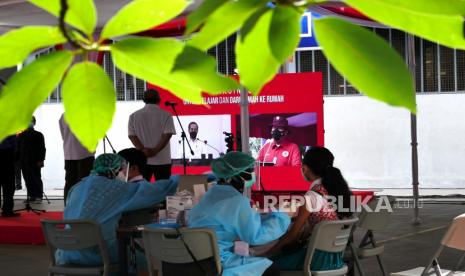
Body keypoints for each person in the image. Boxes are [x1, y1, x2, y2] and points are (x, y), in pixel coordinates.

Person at [56, 153, 179, 271]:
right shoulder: (115, 188)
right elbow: (152, 190)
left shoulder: (76, 187)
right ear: (116, 170)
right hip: (98, 253)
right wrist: (175, 180)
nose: (124, 175)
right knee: (139, 260)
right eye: (123, 171)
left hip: (67, 252)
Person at [188, 151, 291, 276]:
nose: (253, 174)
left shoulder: (209, 195)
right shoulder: (237, 202)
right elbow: (256, 237)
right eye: (250, 170)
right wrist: (284, 216)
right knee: (270, 268)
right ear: (236, 175)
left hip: (195, 260)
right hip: (216, 263)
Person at [266, 146, 353, 271]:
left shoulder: (311, 196)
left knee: (265, 265)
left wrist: (268, 253)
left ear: (304, 168)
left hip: (314, 260)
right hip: (336, 258)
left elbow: (292, 236)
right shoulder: (337, 191)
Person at [128, 89, 176, 181]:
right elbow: (167, 134)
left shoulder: (134, 116)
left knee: (142, 190)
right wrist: (155, 150)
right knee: (163, 190)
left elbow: (132, 136)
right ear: (159, 100)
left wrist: (143, 150)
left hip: (142, 160)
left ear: (143, 100)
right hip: (162, 160)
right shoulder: (166, 115)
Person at [59, 113, 95, 204]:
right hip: (85, 153)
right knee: (85, 182)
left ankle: (68, 206)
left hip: (69, 153)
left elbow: (63, 135)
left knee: (70, 182)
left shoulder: (64, 115)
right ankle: (83, 206)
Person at [16, 116, 46, 203]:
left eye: (31, 121)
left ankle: (39, 196)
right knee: (27, 179)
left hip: (35, 161)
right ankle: (31, 196)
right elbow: (18, 148)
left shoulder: (38, 135)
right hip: (23, 161)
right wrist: (17, 161)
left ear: (34, 123)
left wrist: (41, 160)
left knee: (36, 178)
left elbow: (42, 148)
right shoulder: (20, 135)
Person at [0, 135, 20, 217]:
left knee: (9, 185)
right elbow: (14, 145)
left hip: (7, 154)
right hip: (7, 155)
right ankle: (7, 210)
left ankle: (7, 210)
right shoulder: (10, 129)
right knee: (8, 186)